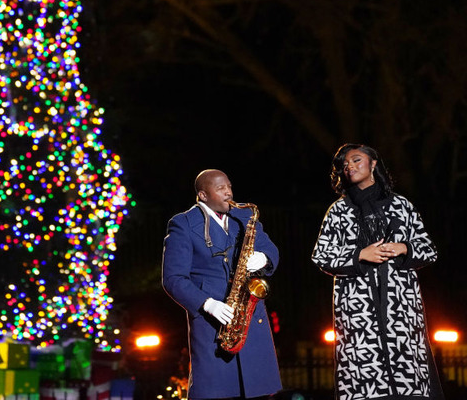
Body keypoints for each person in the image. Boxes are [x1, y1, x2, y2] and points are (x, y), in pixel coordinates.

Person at [311, 144, 444, 400]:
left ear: (373, 164)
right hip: (357, 313)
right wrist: (360, 255)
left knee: (409, 380)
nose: (349, 166)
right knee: (363, 383)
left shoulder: (402, 205)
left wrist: (404, 247)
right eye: (344, 164)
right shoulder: (338, 211)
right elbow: (321, 255)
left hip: (401, 308)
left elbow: (429, 250)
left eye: (356, 160)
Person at [162, 169, 282, 400]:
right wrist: (207, 304)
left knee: (258, 393)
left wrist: (264, 259)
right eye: (220, 188)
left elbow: (270, 249)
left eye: (229, 186)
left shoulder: (244, 216)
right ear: (203, 195)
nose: (228, 192)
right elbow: (173, 279)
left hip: (250, 318)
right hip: (214, 322)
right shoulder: (183, 224)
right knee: (217, 393)